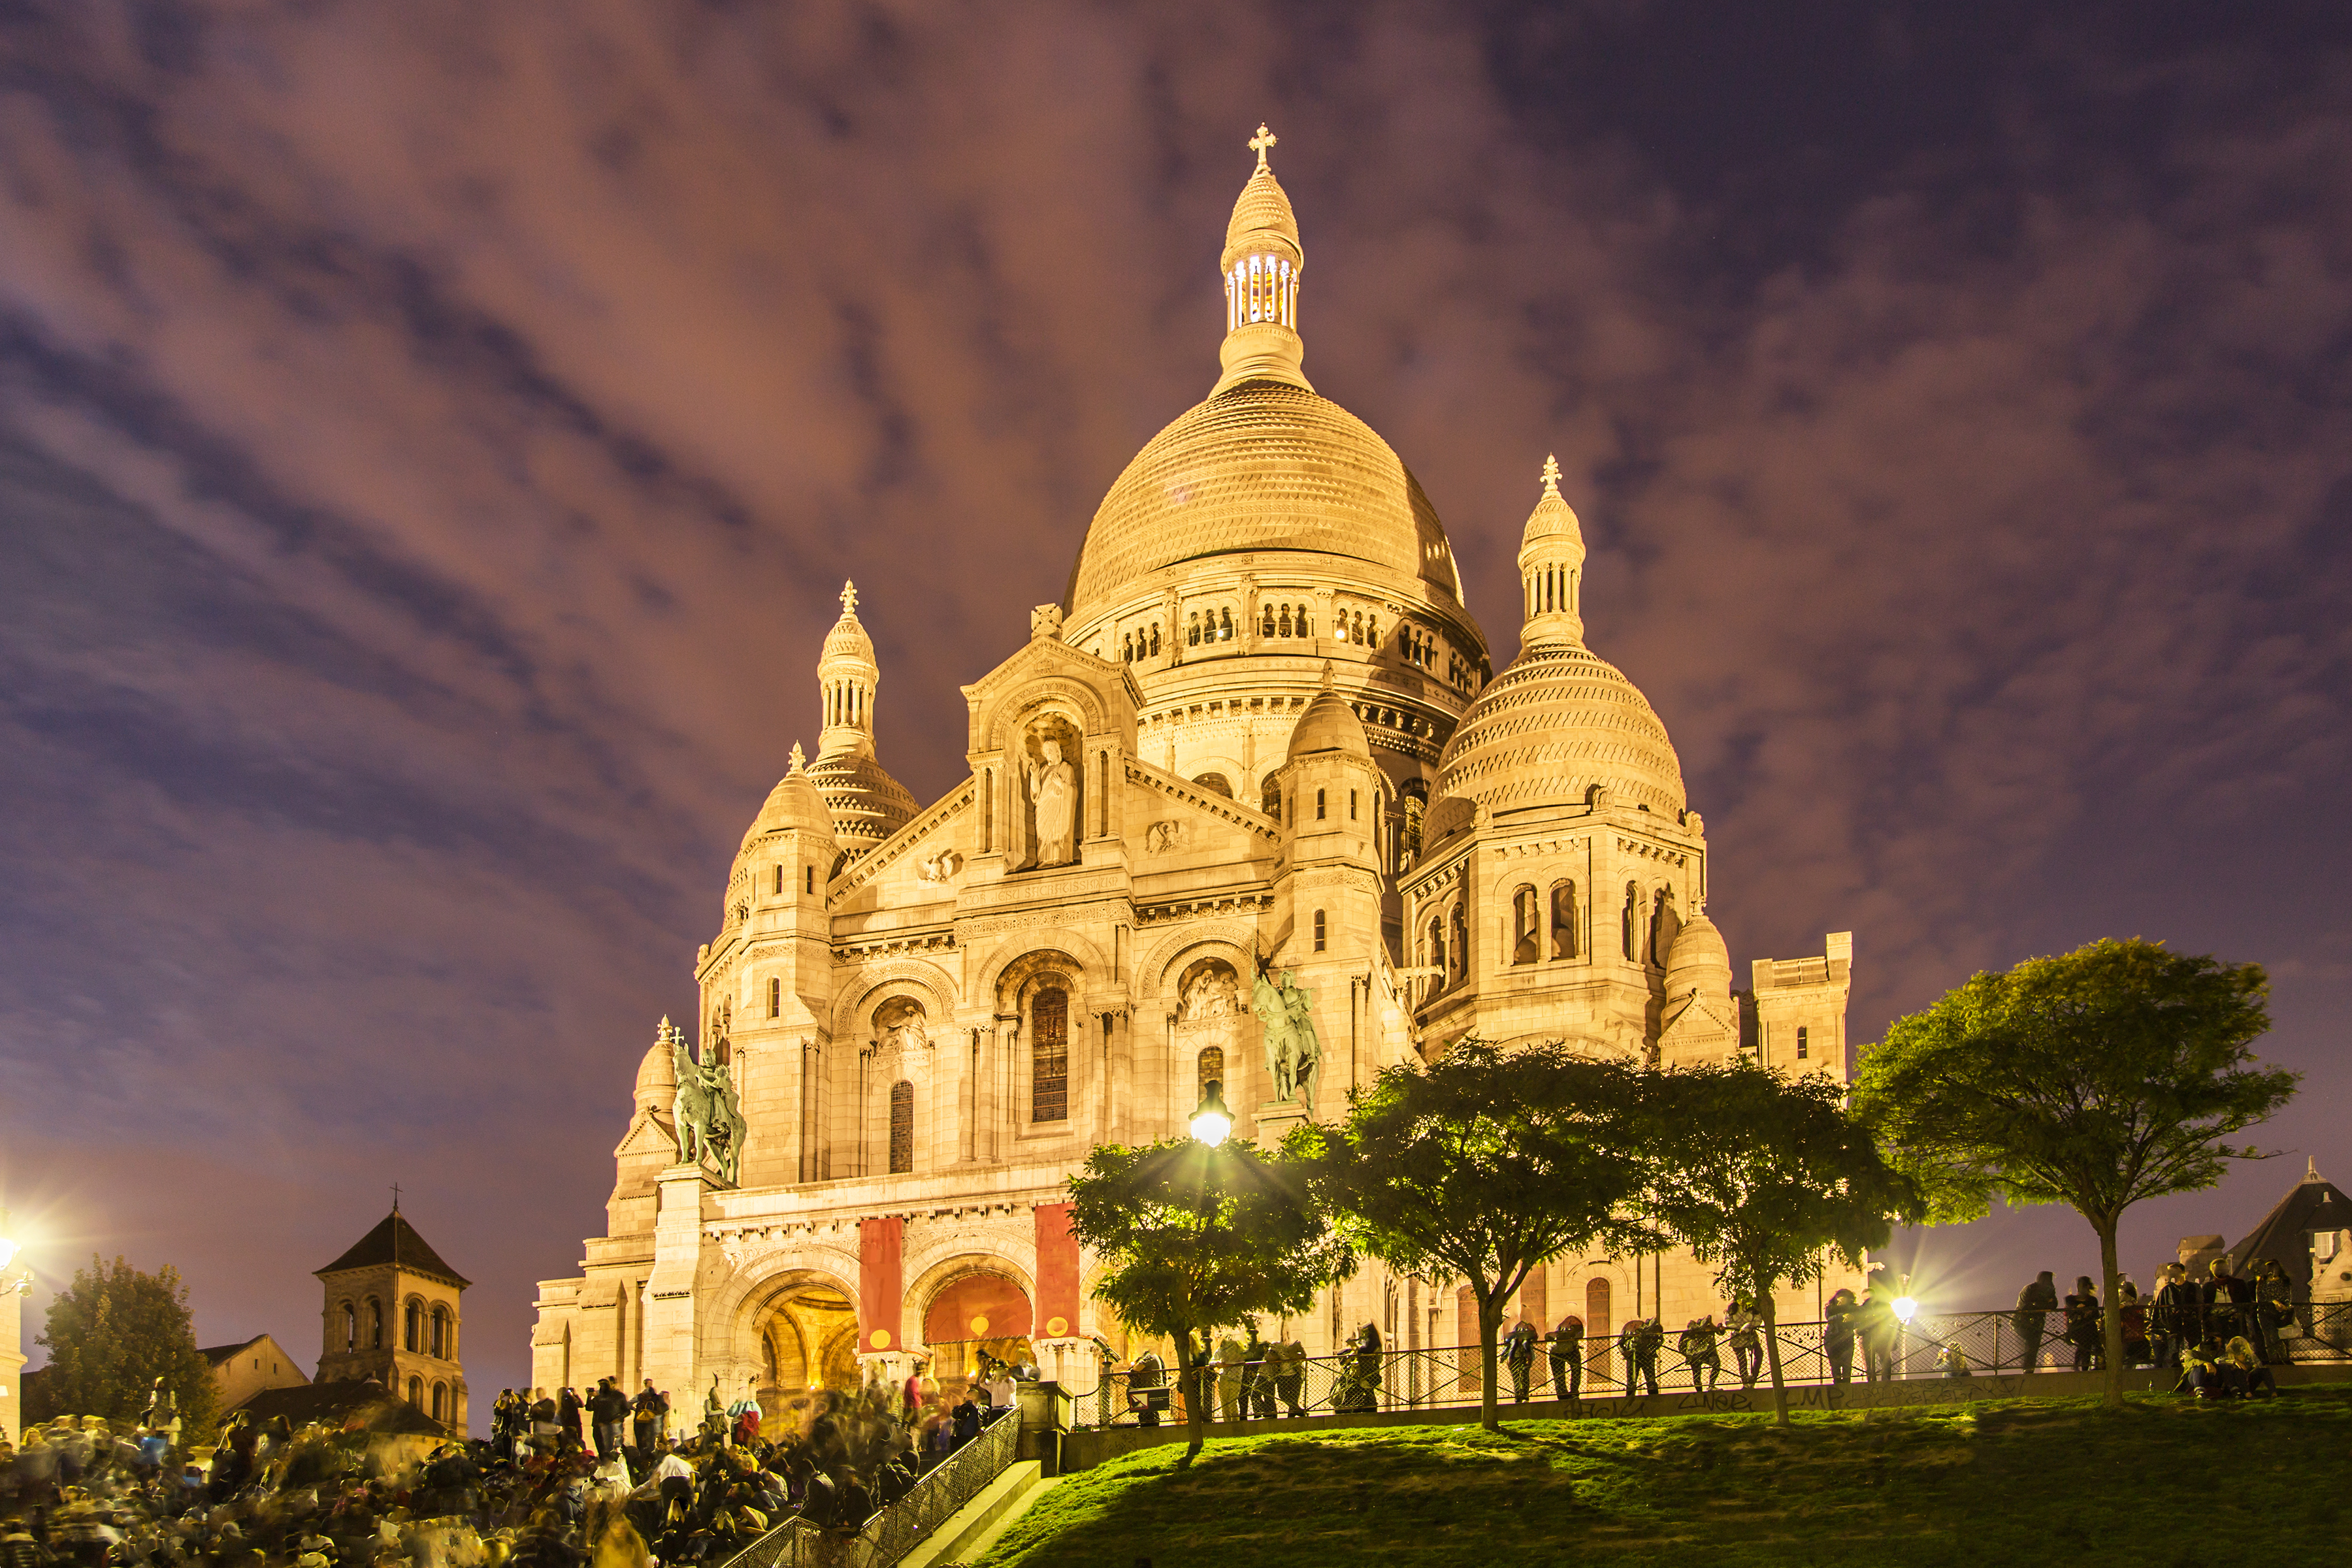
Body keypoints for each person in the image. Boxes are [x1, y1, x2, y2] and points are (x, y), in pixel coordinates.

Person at [2152, 1262, 2199, 1372]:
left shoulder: (2193, 1288)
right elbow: (2159, 1309)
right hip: (2174, 1325)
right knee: (2173, 1351)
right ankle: (2174, 1368)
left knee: (2193, 1348)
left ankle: (2194, 1368)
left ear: (2182, 1272)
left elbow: (2199, 1304)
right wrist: (2159, 1327)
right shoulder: (2167, 1290)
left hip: (2191, 1324)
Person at [2013, 1271, 2059, 1372]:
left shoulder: (2049, 1290)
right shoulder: (2030, 1289)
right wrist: (2044, 1304)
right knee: (2031, 1343)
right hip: (2021, 1321)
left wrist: (2038, 1305)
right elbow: (2027, 1306)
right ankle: (2028, 1368)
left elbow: (2054, 1305)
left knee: (2033, 1345)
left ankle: (2029, 1368)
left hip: (2037, 1323)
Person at [2251, 1258, 2294, 1364]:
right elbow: (2260, 1299)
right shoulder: (2262, 1283)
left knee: (2279, 1337)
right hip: (2265, 1312)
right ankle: (2274, 1359)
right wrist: (2274, 1302)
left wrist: (2284, 1306)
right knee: (2269, 1337)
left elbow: (2287, 1296)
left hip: (2280, 1313)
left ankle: (2283, 1358)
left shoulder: (2284, 1281)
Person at [2202, 1258, 2253, 1347]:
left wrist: (2241, 1313)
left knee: (2237, 1343)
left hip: (2235, 1318)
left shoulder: (2239, 1284)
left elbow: (2246, 1300)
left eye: (2223, 1268)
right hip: (2215, 1319)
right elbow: (2204, 1304)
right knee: (2217, 1344)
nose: (2221, 1271)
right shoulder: (2208, 1287)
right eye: (2218, 1269)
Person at [2063, 1277, 2102, 1373]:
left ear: (2087, 1287)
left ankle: (2083, 1367)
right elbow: (2072, 1310)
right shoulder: (2070, 1299)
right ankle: (2082, 1367)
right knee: (2085, 1345)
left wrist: (2081, 1311)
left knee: (2088, 1345)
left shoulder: (2092, 1300)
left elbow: (2095, 1314)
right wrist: (2082, 1311)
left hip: (2089, 1328)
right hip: (2076, 1328)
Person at [1724, 1301, 1763, 1389]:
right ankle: (1746, 1382)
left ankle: (1753, 1378)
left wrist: (1747, 1327)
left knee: (1759, 1354)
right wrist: (1740, 1328)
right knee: (1742, 1361)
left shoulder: (1752, 1308)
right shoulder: (1732, 1309)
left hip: (1751, 1335)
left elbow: (1758, 1319)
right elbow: (1728, 1322)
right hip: (1737, 1336)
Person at [1676, 1316, 1720, 1394]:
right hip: (1694, 1355)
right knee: (1696, 1374)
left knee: (1716, 1363)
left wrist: (1712, 1325)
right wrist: (1688, 1355)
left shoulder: (1708, 1331)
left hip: (1707, 1354)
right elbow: (1681, 1346)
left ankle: (1711, 1385)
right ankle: (1700, 1392)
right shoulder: (1688, 1333)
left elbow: (1720, 1332)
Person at [1823, 1289, 1858, 1385]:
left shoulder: (1853, 1309)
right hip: (1832, 1338)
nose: (1841, 1302)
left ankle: (1846, 1384)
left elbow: (1860, 1316)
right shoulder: (1831, 1308)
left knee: (1847, 1364)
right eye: (1839, 1299)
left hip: (1847, 1339)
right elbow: (1829, 1318)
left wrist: (1852, 1317)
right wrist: (1842, 1315)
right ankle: (1837, 1383)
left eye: (1844, 1299)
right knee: (1835, 1364)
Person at [1546, 1315, 1584, 1401]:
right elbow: (1548, 1337)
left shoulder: (1576, 1328)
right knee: (1560, 1375)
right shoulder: (1561, 1326)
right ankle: (1563, 1393)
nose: (1571, 1322)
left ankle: (1572, 1392)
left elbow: (1579, 1335)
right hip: (1558, 1352)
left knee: (1574, 1371)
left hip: (1569, 1350)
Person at [589, 1378, 630, 1458]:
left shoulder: (619, 1396)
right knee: (607, 1446)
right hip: (604, 1424)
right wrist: (590, 1397)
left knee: (617, 1446)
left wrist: (619, 1418)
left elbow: (627, 1411)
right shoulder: (599, 1398)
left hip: (616, 1423)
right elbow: (591, 1408)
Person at [1503, 1318, 1540, 1403]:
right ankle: (1518, 1397)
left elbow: (1535, 1337)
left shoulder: (1526, 1340)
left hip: (1524, 1358)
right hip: (1515, 1358)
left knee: (1525, 1376)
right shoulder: (1513, 1339)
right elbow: (1507, 1343)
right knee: (1516, 1377)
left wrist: (1529, 1327)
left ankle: (1525, 1396)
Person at [1126, 1347, 1165, 1428]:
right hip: (1152, 1390)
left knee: (1146, 1414)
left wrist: (1132, 1370)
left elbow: (1137, 1368)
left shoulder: (1150, 1356)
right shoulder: (1155, 1356)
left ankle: (1148, 1430)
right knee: (1150, 1413)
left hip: (1148, 1390)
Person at [1271, 1337, 1309, 1418]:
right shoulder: (1276, 1345)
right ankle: (1299, 1411)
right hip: (1282, 1376)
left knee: (1294, 1397)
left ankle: (1292, 1416)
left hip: (1295, 1375)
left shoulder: (1295, 1344)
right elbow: (1269, 1356)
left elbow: (1304, 1355)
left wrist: (1293, 1356)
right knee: (1282, 1395)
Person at [630, 1380, 667, 1456]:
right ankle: (650, 1456)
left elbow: (628, 1404)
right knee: (650, 1441)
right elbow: (664, 1408)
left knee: (640, 1440)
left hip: (639, 1420)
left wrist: (636, 1410)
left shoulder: (640, 1396)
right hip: (651, 1421)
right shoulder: (657, 1397)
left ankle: (641, 1456)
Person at [1628, 1318, 1663, 1397]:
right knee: (1632, 1380)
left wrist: (1651, 1350)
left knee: (1650, 1379)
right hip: (1634, 1357)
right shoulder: (1631, 1330)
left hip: (1647, 1357)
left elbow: (1660, 1340)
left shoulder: (1652, 1331)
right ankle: (1629, 1396)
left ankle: (1654, 1397)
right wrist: (1625, 1352)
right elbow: (1621, 1342)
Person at [1215, 1332, 1245, 1422]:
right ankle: (1226, 1423)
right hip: (1224, 1378)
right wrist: (1217, 1363)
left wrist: (1228, 1363)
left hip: (1235, 1379)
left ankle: (1235, 1423)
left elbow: (1240, 1360)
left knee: (1232, 1402)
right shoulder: (1222, 1350)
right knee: (1225, 1403)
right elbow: (1212, 1360)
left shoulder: (1240, 1351)